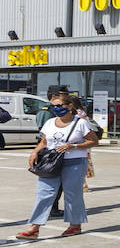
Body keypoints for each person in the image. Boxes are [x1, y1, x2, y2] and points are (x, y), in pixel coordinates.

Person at [18, 91, 100, 239]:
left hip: (74, 162)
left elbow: (94, 141)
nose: (56, 109)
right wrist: (35, 152)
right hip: (52, 162)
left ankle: (75, 225)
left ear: (69, 106)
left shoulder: (80, 123)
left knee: (72, 194)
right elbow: (44, 142)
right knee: (44, 193)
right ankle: (34, 228)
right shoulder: (50, 123)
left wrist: (73, 146)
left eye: (59, 105)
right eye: (53, 106)